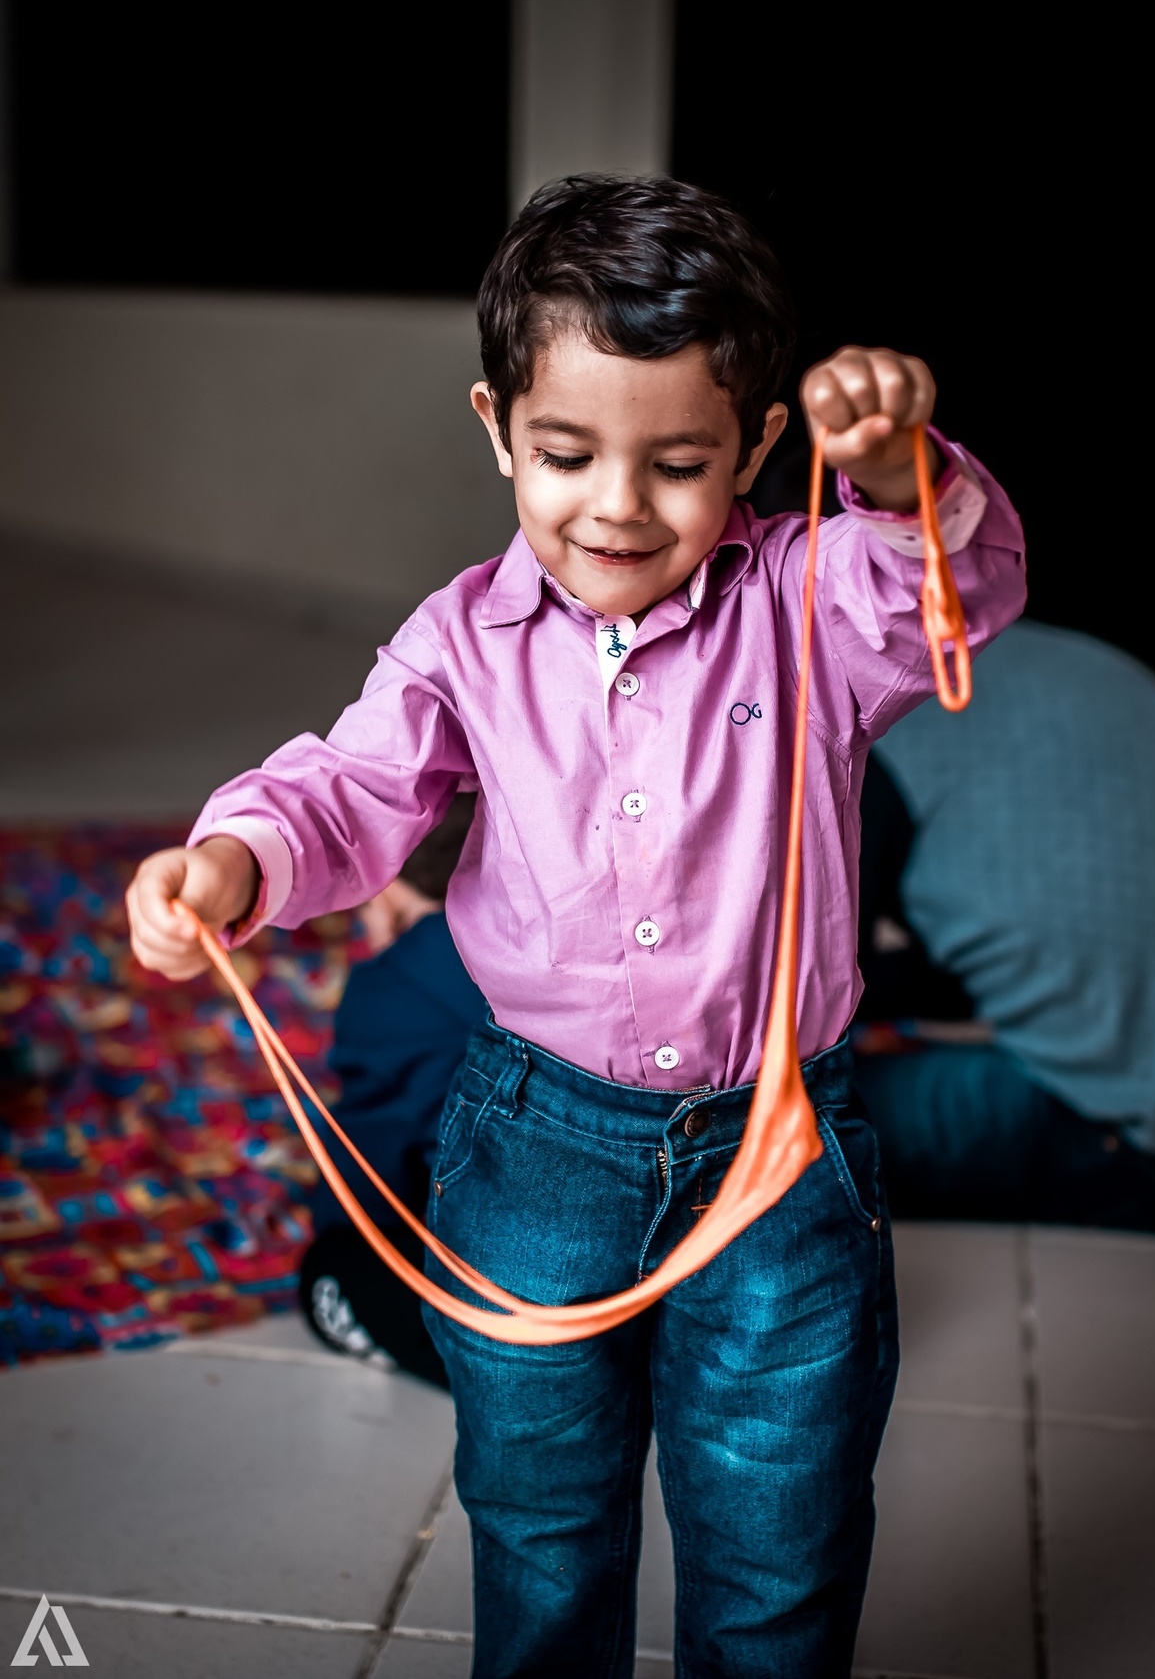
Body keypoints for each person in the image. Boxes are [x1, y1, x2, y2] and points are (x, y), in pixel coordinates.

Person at [125, 175, 1026, 1678]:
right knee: (541, 1517)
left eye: (677, 462)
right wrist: (233, 859)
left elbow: (963, 591)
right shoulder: (460, 636)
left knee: (778, 1535)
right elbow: (351, 789)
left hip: (779, 1147)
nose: (616, 503)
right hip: (533, 1137)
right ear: (496, 428)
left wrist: (897, 472)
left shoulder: (811, 591)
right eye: (565, 452)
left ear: (756, 448)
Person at [853, 619, 1155, 1235]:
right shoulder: (1061, 653)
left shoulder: (864, 709)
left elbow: (803, 986)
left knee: (775, 1127)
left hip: (1134, 1124)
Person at [300, 795, 481, 1383]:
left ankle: (516, 1375)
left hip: (524, 1275)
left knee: (332, 1270)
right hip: (683, 1253)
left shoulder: (393, 989)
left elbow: (367, 1175)